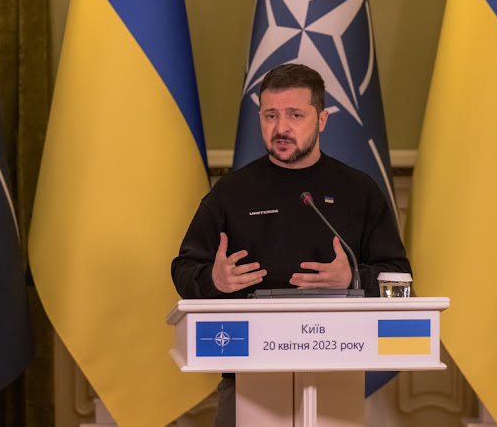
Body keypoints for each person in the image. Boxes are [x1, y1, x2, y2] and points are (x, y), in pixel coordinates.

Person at [171, 63, 411, 427]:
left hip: (339, 377)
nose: (280, 127)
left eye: (295, 114)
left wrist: (355, 278)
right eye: (270, 115)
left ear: (322, 120)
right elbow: (184, 269)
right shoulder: (231, 192)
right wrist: (213, 281)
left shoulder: (359, 192)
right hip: (246, 377)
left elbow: (402, 282)